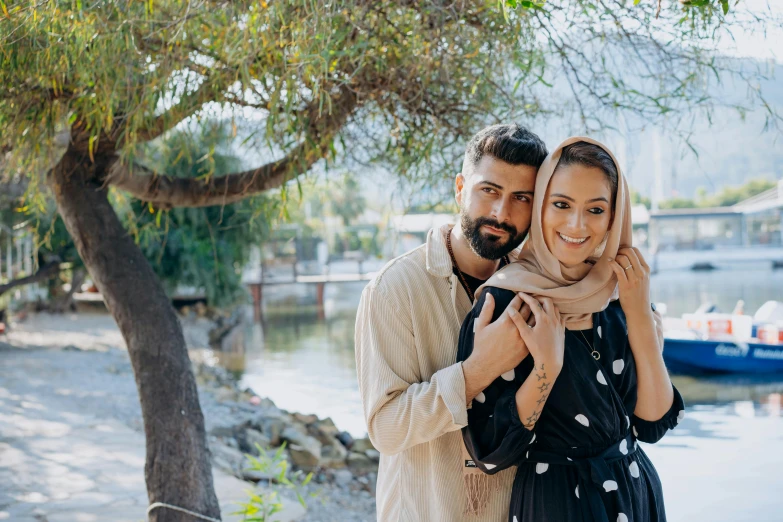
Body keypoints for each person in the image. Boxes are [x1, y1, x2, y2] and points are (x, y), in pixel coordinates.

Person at [457, 137, 684, 522]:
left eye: (596, 209)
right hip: (557, 502)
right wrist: (546, 367)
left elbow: (652, 424)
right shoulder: (506, 300)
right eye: (561, 204)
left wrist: (641, 319)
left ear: (614, 217)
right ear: (541, 204)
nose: (577, 225)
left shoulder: (620, 295)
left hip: (634, 494)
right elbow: (490, 451)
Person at [355, 123, 548, 521]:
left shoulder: (537, 289)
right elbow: (386, 429)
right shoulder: (394, 289)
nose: (501, 212)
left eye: (521, 198)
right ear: (461, 188)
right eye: (489, 191)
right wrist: (478, 371)